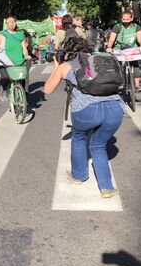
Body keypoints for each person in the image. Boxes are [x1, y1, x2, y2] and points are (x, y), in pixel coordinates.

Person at [44, 37, 124, 198]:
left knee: (79, 137)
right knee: (99, 144)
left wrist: (56, 68)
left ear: (67, 51)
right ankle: (107, 187)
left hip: (87, 110)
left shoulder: (67, 66)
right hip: (115, 108)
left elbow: (47, 89)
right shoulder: (102, 60)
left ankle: (78, 175)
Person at [0, 16, 30, 101]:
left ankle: (22, 96)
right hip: (4, 61)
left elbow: (24, 48)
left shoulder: (20, 34)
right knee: (5, 78)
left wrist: (26, 55)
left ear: (15, 23)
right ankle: (5, 90)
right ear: (6, 24)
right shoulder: (1, 34)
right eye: (9, 22)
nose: (11, 24)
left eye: (13, 22)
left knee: (22, 77)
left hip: (18, 60)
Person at [105, 10, 141, 91]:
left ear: (131, 18)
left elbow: (140, 39)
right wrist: (109, 47)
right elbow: (112, 39)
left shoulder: (136, 27)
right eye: (124, 19)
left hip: (132, 49)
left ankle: (137, 85)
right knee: (118, 66)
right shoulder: (117, 27)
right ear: (121, 19)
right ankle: (120, 82)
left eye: (128, 19)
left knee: (135, 65)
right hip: (119, 49)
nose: (126, 21)